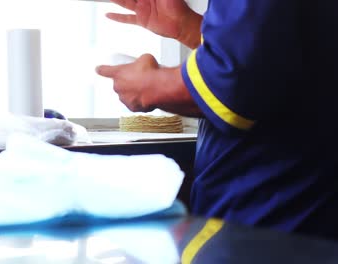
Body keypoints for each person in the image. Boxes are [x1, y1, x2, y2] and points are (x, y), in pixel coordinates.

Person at [96, 0, 338, 240]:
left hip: (268, 218)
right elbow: (282, 62)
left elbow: (235, 88)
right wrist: (188, 28)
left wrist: (146, 87)